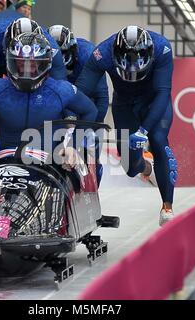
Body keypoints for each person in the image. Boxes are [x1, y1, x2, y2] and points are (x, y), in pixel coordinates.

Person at [75, 26, 178, 226]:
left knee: (158, 140)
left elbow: (163, 92)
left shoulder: (162, 48)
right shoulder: (102, 53)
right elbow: (82, 90)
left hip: (153, 101)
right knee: (130, 168)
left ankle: (167, 207)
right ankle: (146, 167)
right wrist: (70, 115)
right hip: (124, 104)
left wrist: (144, 130)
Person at [0, 32, 97, 171]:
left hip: (50, 164)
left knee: (81, 170)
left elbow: (90, 111)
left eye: (32, 65)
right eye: (21, 64)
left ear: (44, 64)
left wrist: (73, 145)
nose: (26, 71)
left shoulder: (60, 90)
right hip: (7, 162)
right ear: (11, 63)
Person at [47, 25, 109, 186]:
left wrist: (88, 129)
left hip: (87, 103)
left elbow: (101, 99)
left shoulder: (89, 55)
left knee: (88, 149)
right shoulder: (40, 54)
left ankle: (92, 186)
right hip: (60, 102)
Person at [0, 10, 67, 98]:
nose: (26, 67)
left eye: (29, 60)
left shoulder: (49, 45)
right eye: (20, 59)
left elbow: (61, 84)